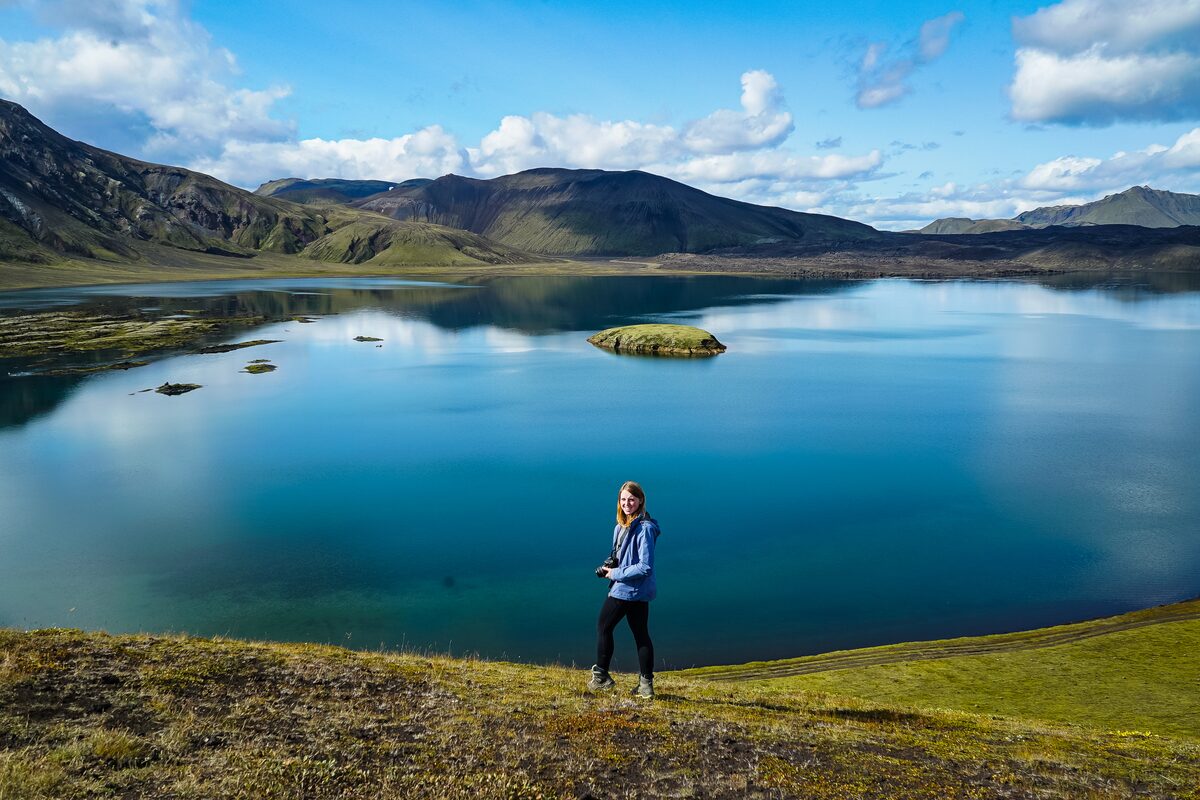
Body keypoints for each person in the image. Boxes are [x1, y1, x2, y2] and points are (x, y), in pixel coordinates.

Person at [588, 480, 659, 698]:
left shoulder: (645, 529)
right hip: (638, 591)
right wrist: (609, 566)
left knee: (603, 627)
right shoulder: (621, 526)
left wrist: (615, 574)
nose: (627, 503)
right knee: (641, 635)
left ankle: (601, 678)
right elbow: (622, 557)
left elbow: (644, 567)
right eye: (623, 499)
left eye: (631, 499)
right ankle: (646, 686)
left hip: (627, 590)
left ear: (640, 501)